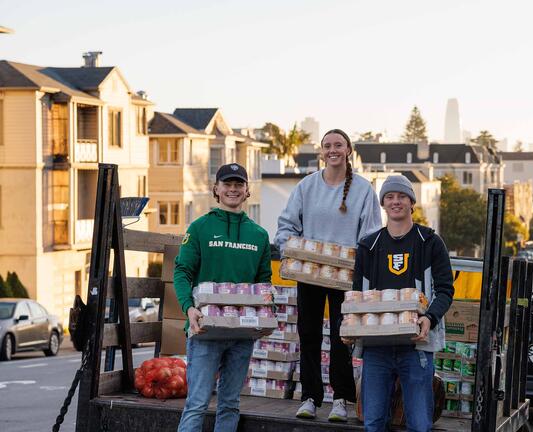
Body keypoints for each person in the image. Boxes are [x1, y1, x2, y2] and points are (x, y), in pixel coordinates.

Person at [275, 129, 382, 422]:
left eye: (338, 145)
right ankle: (309, 397)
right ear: (321, 151)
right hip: (309, 272)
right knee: (308, 334)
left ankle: (341, 399)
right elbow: (286, 225)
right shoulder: (307, 186)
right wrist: (289, 248)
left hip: (346, 275)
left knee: (341, 338)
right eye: (327, 146)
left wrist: (362, 268)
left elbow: (371, 235)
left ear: (348, 149)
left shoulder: (363, 190)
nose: (333, 150)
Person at [347, 174, 455, 432]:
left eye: (402, 196)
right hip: (376, 347)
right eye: (390, 197)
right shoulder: (368, 246)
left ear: (412, 202)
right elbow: (356, 296)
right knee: (373, 423)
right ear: (383, 204)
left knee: (419, 424)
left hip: (416, 347)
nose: (396, 202)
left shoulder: (429, 242)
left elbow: (445, 290)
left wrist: (429, 318)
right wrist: (349, 326)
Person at [173, 163, 273, 431]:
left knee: (230, 404)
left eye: (238, 184)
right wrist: (188, 308)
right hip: (204, 329)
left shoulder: (259, 235)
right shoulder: (199, 228)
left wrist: (266, 312)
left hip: (242, 334)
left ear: (247, 190)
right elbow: (182, 272)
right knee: (197, 404)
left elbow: (263, 282)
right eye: (227, 184)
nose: (233, 189)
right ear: (215, 189)